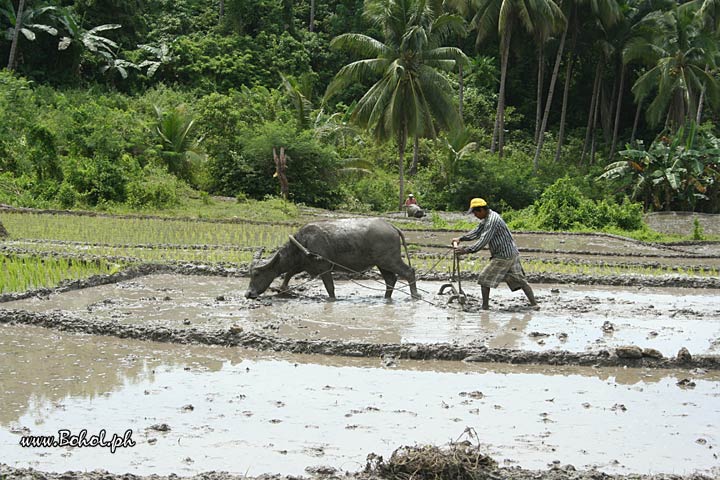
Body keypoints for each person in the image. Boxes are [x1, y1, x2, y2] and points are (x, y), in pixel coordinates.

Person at [452, 198, 538, 310]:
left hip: (503, 256)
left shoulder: (492, 221)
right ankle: (534, 304)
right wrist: (461, 238)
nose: (475, 215)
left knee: (484, 279)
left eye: (475, 212)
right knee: (520, 280)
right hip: (511, 253)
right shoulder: (488, 217)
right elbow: (477, 231)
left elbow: (484, 239)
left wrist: (467, 250)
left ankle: (485, 307)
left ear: (482, 209)